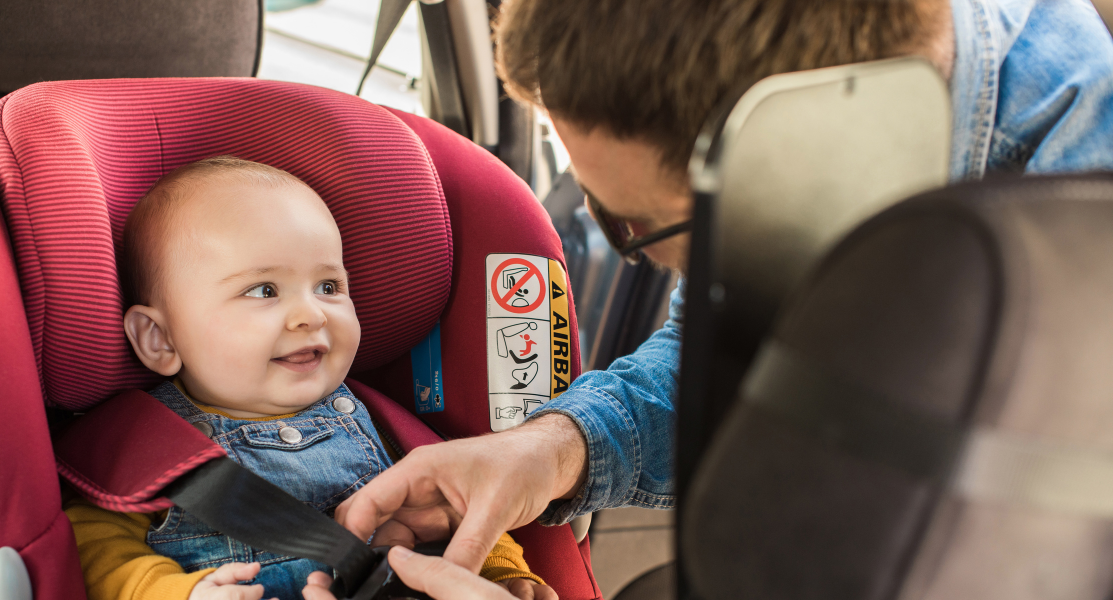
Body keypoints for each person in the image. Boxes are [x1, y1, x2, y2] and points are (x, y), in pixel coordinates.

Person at [302, 0, 1113, 598]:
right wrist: (554, 448)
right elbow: (728, 340)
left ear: (804, 156)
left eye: (634, 227)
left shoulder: (1083, 210)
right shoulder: (806, 120)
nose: (602, 227)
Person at [63, 157, 554, 600]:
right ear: (160, 339)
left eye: (328, 286)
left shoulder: (379, 421)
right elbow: (93, 546)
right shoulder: (146, 446)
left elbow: (456, 507)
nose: (310, 314)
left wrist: (495, 569)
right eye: (263, 290)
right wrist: (177, 592)